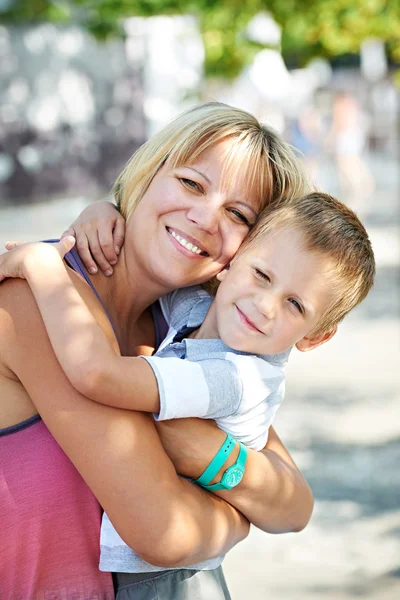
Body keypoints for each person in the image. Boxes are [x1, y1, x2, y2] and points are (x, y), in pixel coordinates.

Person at [0, 102, 314, 600]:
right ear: (148, 172)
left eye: (237, 214)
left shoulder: (188, 322)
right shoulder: (36, 298)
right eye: (191, 183)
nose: (205, 217)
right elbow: (164, 532)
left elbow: (293, 505)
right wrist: (239, 516)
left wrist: (211, 456)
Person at [1, 191, 375, 585]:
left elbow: (99, 374)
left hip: (156, 580)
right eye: (262, 275)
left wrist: (43, 267)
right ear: (230, 266)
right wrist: (103, 214)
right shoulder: (201, 311)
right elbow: (150, 268)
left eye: (295, 305)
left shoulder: (232, 378)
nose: (265, 305)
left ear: (314, 338)